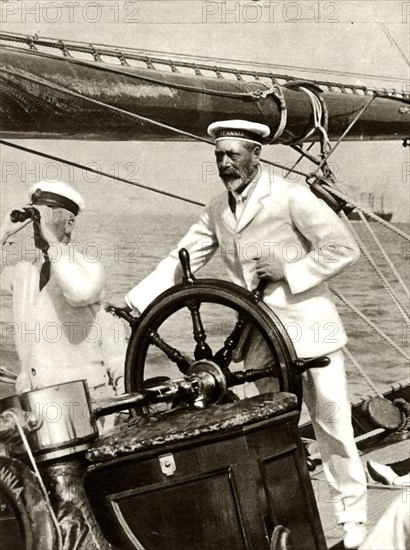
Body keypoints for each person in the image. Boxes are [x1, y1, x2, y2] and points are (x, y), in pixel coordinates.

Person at [118, 119, 367, 549]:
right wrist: (137, 303)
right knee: (268, 431)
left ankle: (354, 522)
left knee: (333, 427)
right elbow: (182, 258)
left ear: (257, 154)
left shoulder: (291, 196)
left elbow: (344, 247)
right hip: (260, 339)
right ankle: (284, 524)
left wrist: (292, 271)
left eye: (233, 155)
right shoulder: (217, 209)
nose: (225, 163)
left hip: (313, 329)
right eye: (218, 156)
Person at [0, 181, 126, 405]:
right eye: (37, 218)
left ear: (69, 225)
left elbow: (79, 292)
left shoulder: (88, 266)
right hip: (39, 404)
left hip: (89, 403)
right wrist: (3, 233)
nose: (38, 225)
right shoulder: (26, 272)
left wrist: (50, 239)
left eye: (46, 217)